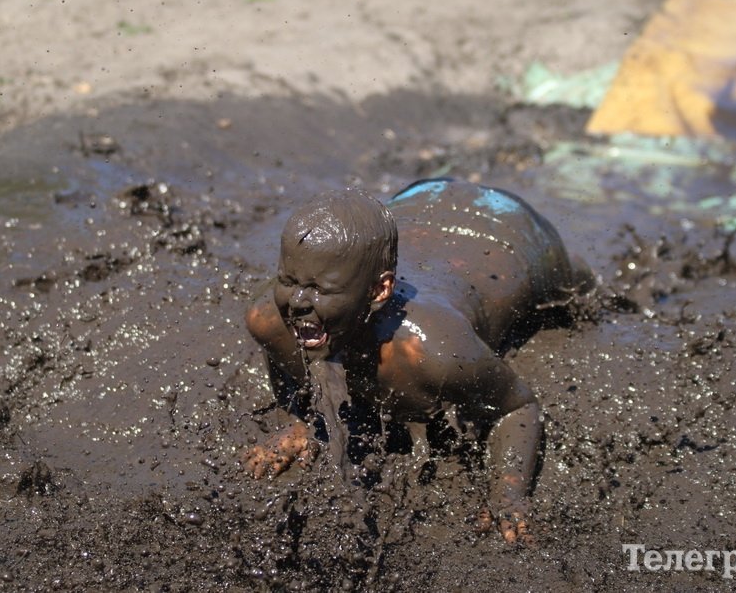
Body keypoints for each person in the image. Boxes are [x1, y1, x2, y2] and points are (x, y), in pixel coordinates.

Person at [243, 178, 592, 543]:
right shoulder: (268, 318)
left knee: (576, 291)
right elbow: (280, 354)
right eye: (288, 280)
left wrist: (508, 493)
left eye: (319, 290)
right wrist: (300, 419)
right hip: (418, 198)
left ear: (379, 291)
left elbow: (516, 407)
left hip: (511, 229)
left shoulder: (431, 349)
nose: (296, 303)